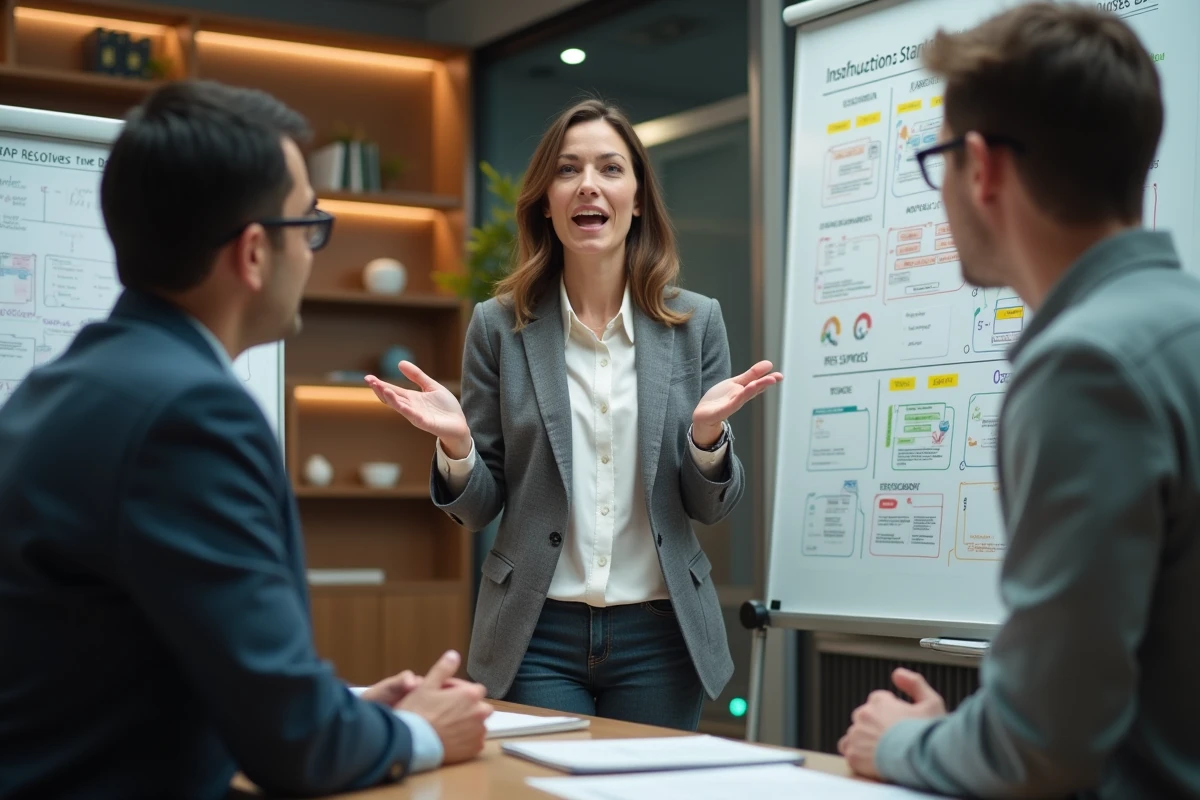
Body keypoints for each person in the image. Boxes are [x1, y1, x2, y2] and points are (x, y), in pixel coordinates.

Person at [0, 80, 491, 799]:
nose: (313, 252)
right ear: (255, 252)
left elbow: (154, 671)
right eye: (309, 225)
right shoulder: (192, 415)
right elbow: (293, 745)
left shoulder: (57, 387)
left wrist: (347, 714)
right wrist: (421, 732)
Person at [838, 4, 1200, 797]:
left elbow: (1043, 748)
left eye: (938, 162)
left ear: (982, 167)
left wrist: (900, 744)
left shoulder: (1086, 367)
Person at [366, 98, 781, 730]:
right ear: (546, 201)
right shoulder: (497, 327)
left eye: (610, 168)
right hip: (536, 632)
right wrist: (457, 448)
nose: (589, 184)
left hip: (661, 637)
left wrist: (706, 440)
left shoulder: (696, 323)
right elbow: (478, 508)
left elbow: (709, 507)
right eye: (568, 169)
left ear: (637, 200)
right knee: (542, 780)